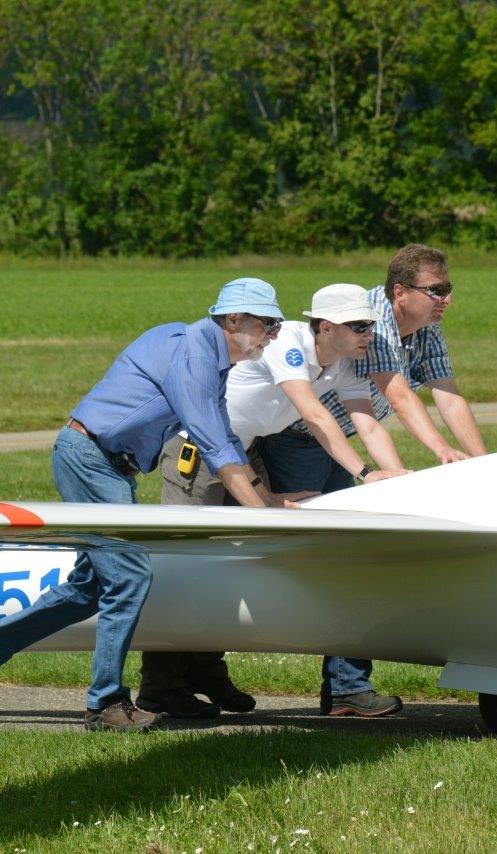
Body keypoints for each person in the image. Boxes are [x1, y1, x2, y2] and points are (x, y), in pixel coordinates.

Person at [0, 278, 310, 732]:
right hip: (91, 459)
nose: (275, 334)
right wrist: (267, 521)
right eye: (269, 323)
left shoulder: (210, 358)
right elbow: (214, 449)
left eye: (277, 325)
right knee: (129, 576)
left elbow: (226, 439)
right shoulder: (194, 357)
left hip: (106, 465)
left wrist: (269, 501)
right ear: (234, 320)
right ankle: (105, 705)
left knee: (88, 590)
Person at [137, 284, 410, 719]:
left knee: (235, 565)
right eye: (358, 326)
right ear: (325, 327)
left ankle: (206, 670)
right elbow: (315, 416)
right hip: (199, 452)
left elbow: (369, 424)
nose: (368, 334)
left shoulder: (343, 365)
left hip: (242, 452)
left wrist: (395, 479)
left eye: (370, 325)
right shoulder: (289, 343)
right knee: (186, 562)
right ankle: (160, 686)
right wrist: (363, 473)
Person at [271, 245, 486, 715]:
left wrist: (483, 463)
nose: (447, 299)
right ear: (400, 292)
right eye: (437, 290)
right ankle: (343, 686)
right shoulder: (372, 324)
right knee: (323, 559)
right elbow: (399, 394)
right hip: (296, 440)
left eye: (449, 289)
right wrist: (441, 452)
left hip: (341, 439)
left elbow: (448, 395)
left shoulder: (426, 329)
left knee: (353, 556)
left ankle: (346, 688)